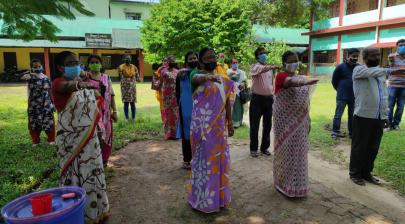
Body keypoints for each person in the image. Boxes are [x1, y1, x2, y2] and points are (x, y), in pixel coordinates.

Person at [51, 51, 109, 222]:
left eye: (77, 62)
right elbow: (67, 87)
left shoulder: (81, 81)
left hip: (89, 139)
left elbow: (96, 99)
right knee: (74, 175)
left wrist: (84, 79)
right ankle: (75, 214)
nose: (76, 65)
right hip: (70, 141)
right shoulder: (57, 83)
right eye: (70, 63)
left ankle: (97, 211)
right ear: (61, 67)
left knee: (92, 172)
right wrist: (82, 84)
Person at [188, 47, 235, 213]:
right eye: (207, 58)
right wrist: (209, 77)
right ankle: (203, 200)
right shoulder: (194, 74)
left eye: (213, 57)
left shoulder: (223, 79)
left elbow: (227, 101)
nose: (211, 60)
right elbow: (198, 78)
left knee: (219, 162)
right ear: (200, 61)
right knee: (204, 162)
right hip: (202, 129)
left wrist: (229, 122)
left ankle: (219, 199)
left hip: (219, 129)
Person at [273, 51, 318, 198]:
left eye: (296, 61)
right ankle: (283, 183)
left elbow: (305, 102)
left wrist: (308, 120)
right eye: (291, 61)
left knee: (299, 152)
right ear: (284, 63)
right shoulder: (281, 76)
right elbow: (288, 83)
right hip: (285, 122)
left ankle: (298, 185)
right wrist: (302, 82)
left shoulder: (301, 77)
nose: (294, 64)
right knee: (286, 151)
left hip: (300, 121)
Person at [350, 47, 388, 186]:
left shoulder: (381, 73)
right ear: (365, 58)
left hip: (378, 116)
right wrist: (389, 70)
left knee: (373, 147)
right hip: (363, 115)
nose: (376, 57)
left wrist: (385, 115)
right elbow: (373, 72)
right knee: (359, 146)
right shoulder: (359, 70)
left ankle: (366, 173)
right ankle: (355, 173)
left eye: (378, 54)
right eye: (372, 55)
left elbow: (384, 95)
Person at [83, 54, 118, 167]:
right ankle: (95, 160)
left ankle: (104, 159)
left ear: (100, 64)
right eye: (92, 62)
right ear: (88, 65)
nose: (94, 64)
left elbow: (112, 94)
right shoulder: (85, 77)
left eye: (96, 62)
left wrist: (115, 111)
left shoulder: (106, 77)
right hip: (92, 113)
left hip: (106, 113)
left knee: (107, 135)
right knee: (96, 136)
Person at [249, 47, 278, 157]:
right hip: (257, 99)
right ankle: (253, 149)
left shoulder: (269, 69)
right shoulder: (254, 67)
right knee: (254, 125)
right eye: (261, 53)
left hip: (269, 99)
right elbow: (260, 70)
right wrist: (271, 66)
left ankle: (264, 147)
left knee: (268, 125)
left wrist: (273, 95)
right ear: (257, 56)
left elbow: (271, 83)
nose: (264, 55)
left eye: (265, 53)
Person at [21, 59, 55, 147]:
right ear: (31, 68)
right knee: (34, 121)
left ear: (42, 66)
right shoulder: (29, 77)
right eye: (35, 67)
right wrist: (31, 74)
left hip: (46, 103)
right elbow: (22, 77)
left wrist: (53, 102)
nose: (37, 68)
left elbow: (50, 90)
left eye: (39, 66)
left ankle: (51, 139)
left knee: (48, 120)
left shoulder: (46, 77)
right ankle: (35, 141)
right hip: (34, 104)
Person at [176, 52, 199, 169]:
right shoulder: (182, 74)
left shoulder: (201, 73)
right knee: (186, 133)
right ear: (186, 61)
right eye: (190, 59)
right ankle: (187, 159)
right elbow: (177, 92)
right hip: (185, 106)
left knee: (198, 132)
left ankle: (198, 158)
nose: (193, 60)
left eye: (195, 58)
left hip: (199, 106)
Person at [331, 48, 360, 139]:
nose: (355, 58)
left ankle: (352, 133)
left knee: (352, 116)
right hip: (342, 96)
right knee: (338, 115)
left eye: (357, 56)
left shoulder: (358, 67)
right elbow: (334, 81)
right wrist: (340, 89)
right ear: (348, 56)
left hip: (354, 96)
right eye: (353, 56)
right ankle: (335, 132)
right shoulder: (340, 67)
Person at [387, 39, 405, 130]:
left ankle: (396, 124)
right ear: (397, 46)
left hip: (404, 87)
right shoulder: (392, 56)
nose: (402, 47)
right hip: (393, 85)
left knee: (401, 106)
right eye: (400, 45)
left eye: (404, 45)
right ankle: (389, 124)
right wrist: (400, 70)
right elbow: (390, 70)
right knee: (390, 105)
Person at [161, 56, 179, 140]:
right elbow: (161, 79)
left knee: (175, 113)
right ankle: (168, 133)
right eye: (170, 61)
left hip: (175, 94)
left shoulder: (177, 72)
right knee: (168, 113)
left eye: (173, 61)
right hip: (167, 95)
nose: (172, 62)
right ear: (168, 62)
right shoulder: (163, 71)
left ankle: (175, 133)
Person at [118, 55, 139, 122]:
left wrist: (137, 79)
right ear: (124, 59)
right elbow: (120, 76)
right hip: (125, 87)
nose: (128, 60)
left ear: (131, 59)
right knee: (126, 103)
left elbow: (137, 77)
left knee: (132, 103)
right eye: (126, 59)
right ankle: (126, 118)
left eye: (129, 58)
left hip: (132, 87)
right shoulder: (121, 67)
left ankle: (133, 118)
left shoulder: (134, 67)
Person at [227, 58, 247, 128]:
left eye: (236, 62)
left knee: (239, 107)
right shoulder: (228, 71)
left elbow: (244, 80)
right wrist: (231, 75)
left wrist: (243, 83)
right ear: (231, 64)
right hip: (231, 93)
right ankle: (232, 123)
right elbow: (226, 80)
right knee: (232, 107)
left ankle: (239, 122)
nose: (235, 64)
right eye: (234, 63)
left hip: (239, 92)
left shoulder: (242, 72)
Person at [153, 58, 168, 123]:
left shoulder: (174, 70)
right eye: (164, 61)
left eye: (167, 61)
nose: (166, 62)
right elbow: (155, 81)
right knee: (162, 107)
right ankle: (164, 120)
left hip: (172, 93)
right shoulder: (160, 69)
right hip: (162, 92)